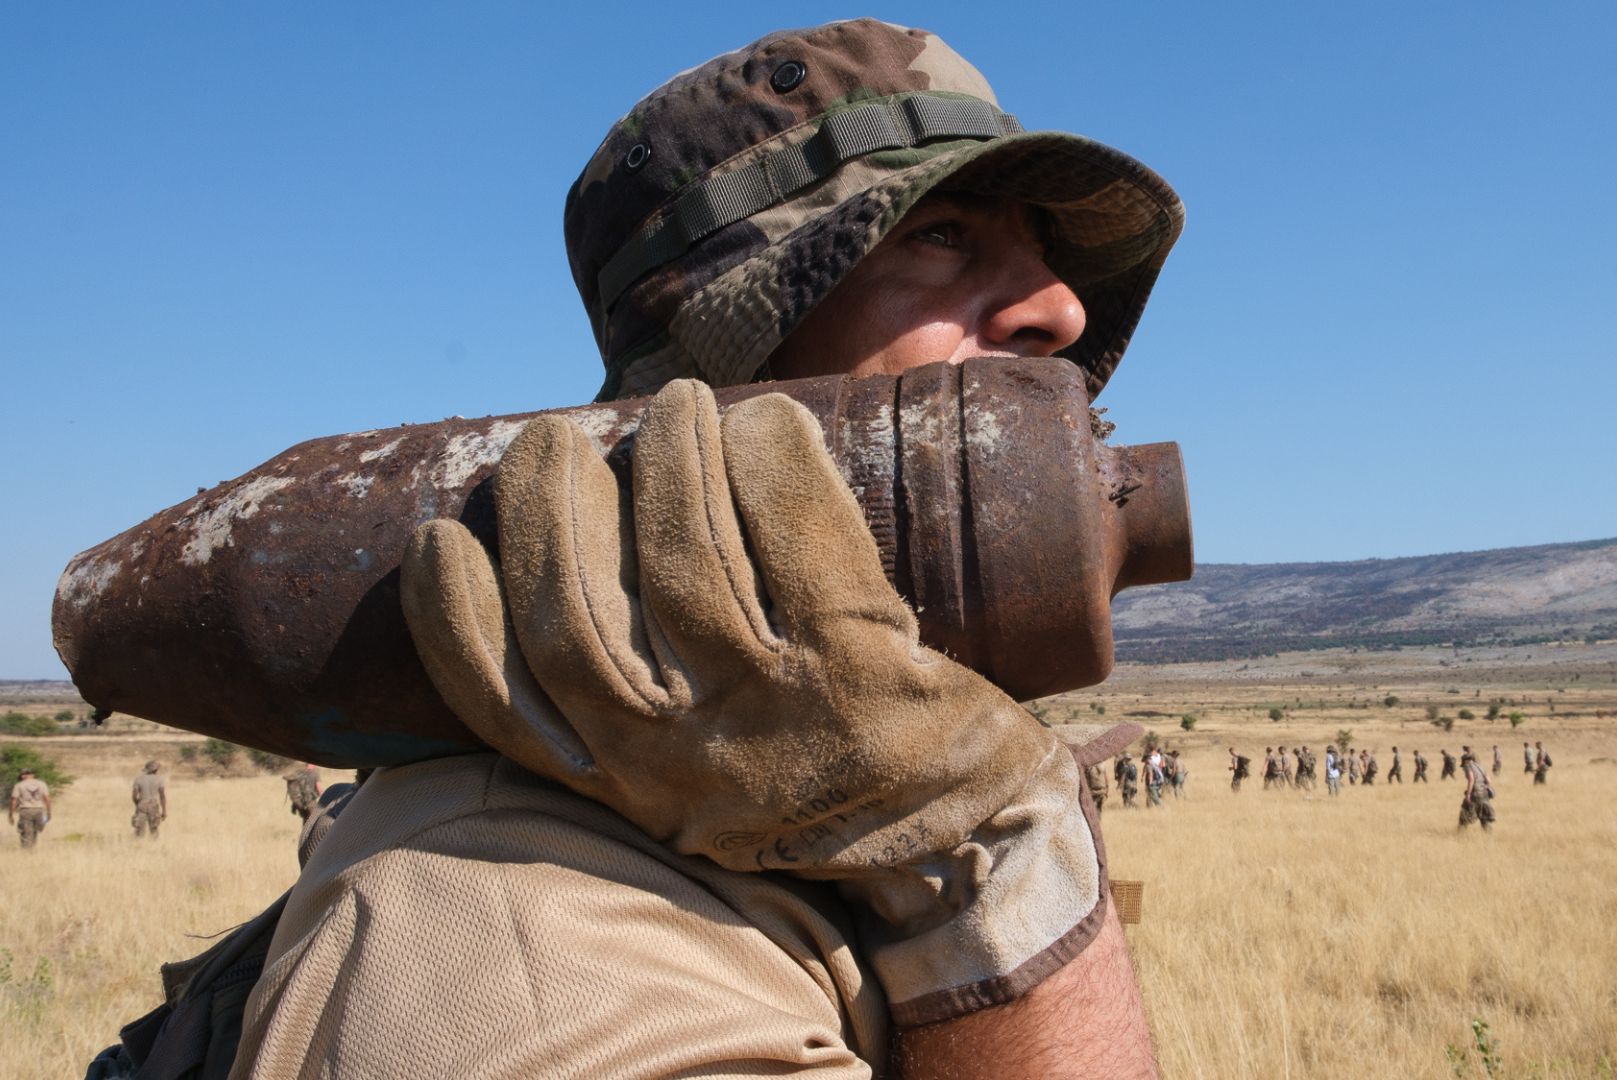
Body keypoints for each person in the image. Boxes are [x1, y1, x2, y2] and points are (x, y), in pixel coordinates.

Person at [232, 21, 1181, 1077]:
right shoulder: (519, 926)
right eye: (941, 236)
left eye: (1044, 253)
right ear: (730, 372)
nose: (1063, 307)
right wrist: (986, 866)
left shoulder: (870, 804)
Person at [9, 767, 52, 850]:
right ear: (33, 775)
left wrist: (11, 814)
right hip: (39, 810)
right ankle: (32, 848)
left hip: (26, 810)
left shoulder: (19, 785)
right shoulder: (41, 784)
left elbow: (14, 800)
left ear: (22, 776)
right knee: (35, 831)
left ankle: (26, 852)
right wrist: (49, 812)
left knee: (26, 832)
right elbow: (48, 799)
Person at [1457, 747, 1494, 832]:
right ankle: (1489, 835)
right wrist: (1485, 787)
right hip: (1484, 794)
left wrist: (1468, 794)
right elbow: (1488, 780)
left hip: (1475, 794)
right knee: (1483, 817)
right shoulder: (1480, 766)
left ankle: (1459, 835)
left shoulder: (1468, 766)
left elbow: (1471, 779)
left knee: (1464, 816)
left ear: (1465, 760)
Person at [131, 760, 167, 839]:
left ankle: (138, 846)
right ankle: (152, 847)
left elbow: (134, 796)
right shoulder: (159, 780)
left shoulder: (138, 779)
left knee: (139, 830)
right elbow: (162, 796)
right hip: (153, 805)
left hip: (142, 804)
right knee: (154, 829)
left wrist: (138, 804)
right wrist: (164, 811)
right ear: (156, 770)